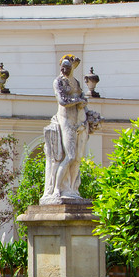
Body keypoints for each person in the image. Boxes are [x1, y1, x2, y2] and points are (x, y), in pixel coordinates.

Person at [42, 54, 100, 203]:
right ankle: (56, 190)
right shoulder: (58, 82)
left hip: (79, 121)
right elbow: (62, 100)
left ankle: (72, 190)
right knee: (70, 156)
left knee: (78, 159)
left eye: (67, 68)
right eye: (63, 68)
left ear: (72, 68)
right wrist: (78, 100)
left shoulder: (76, 82)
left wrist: (84, 108)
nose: (64, 70)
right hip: (65, 120)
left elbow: (82, 99)